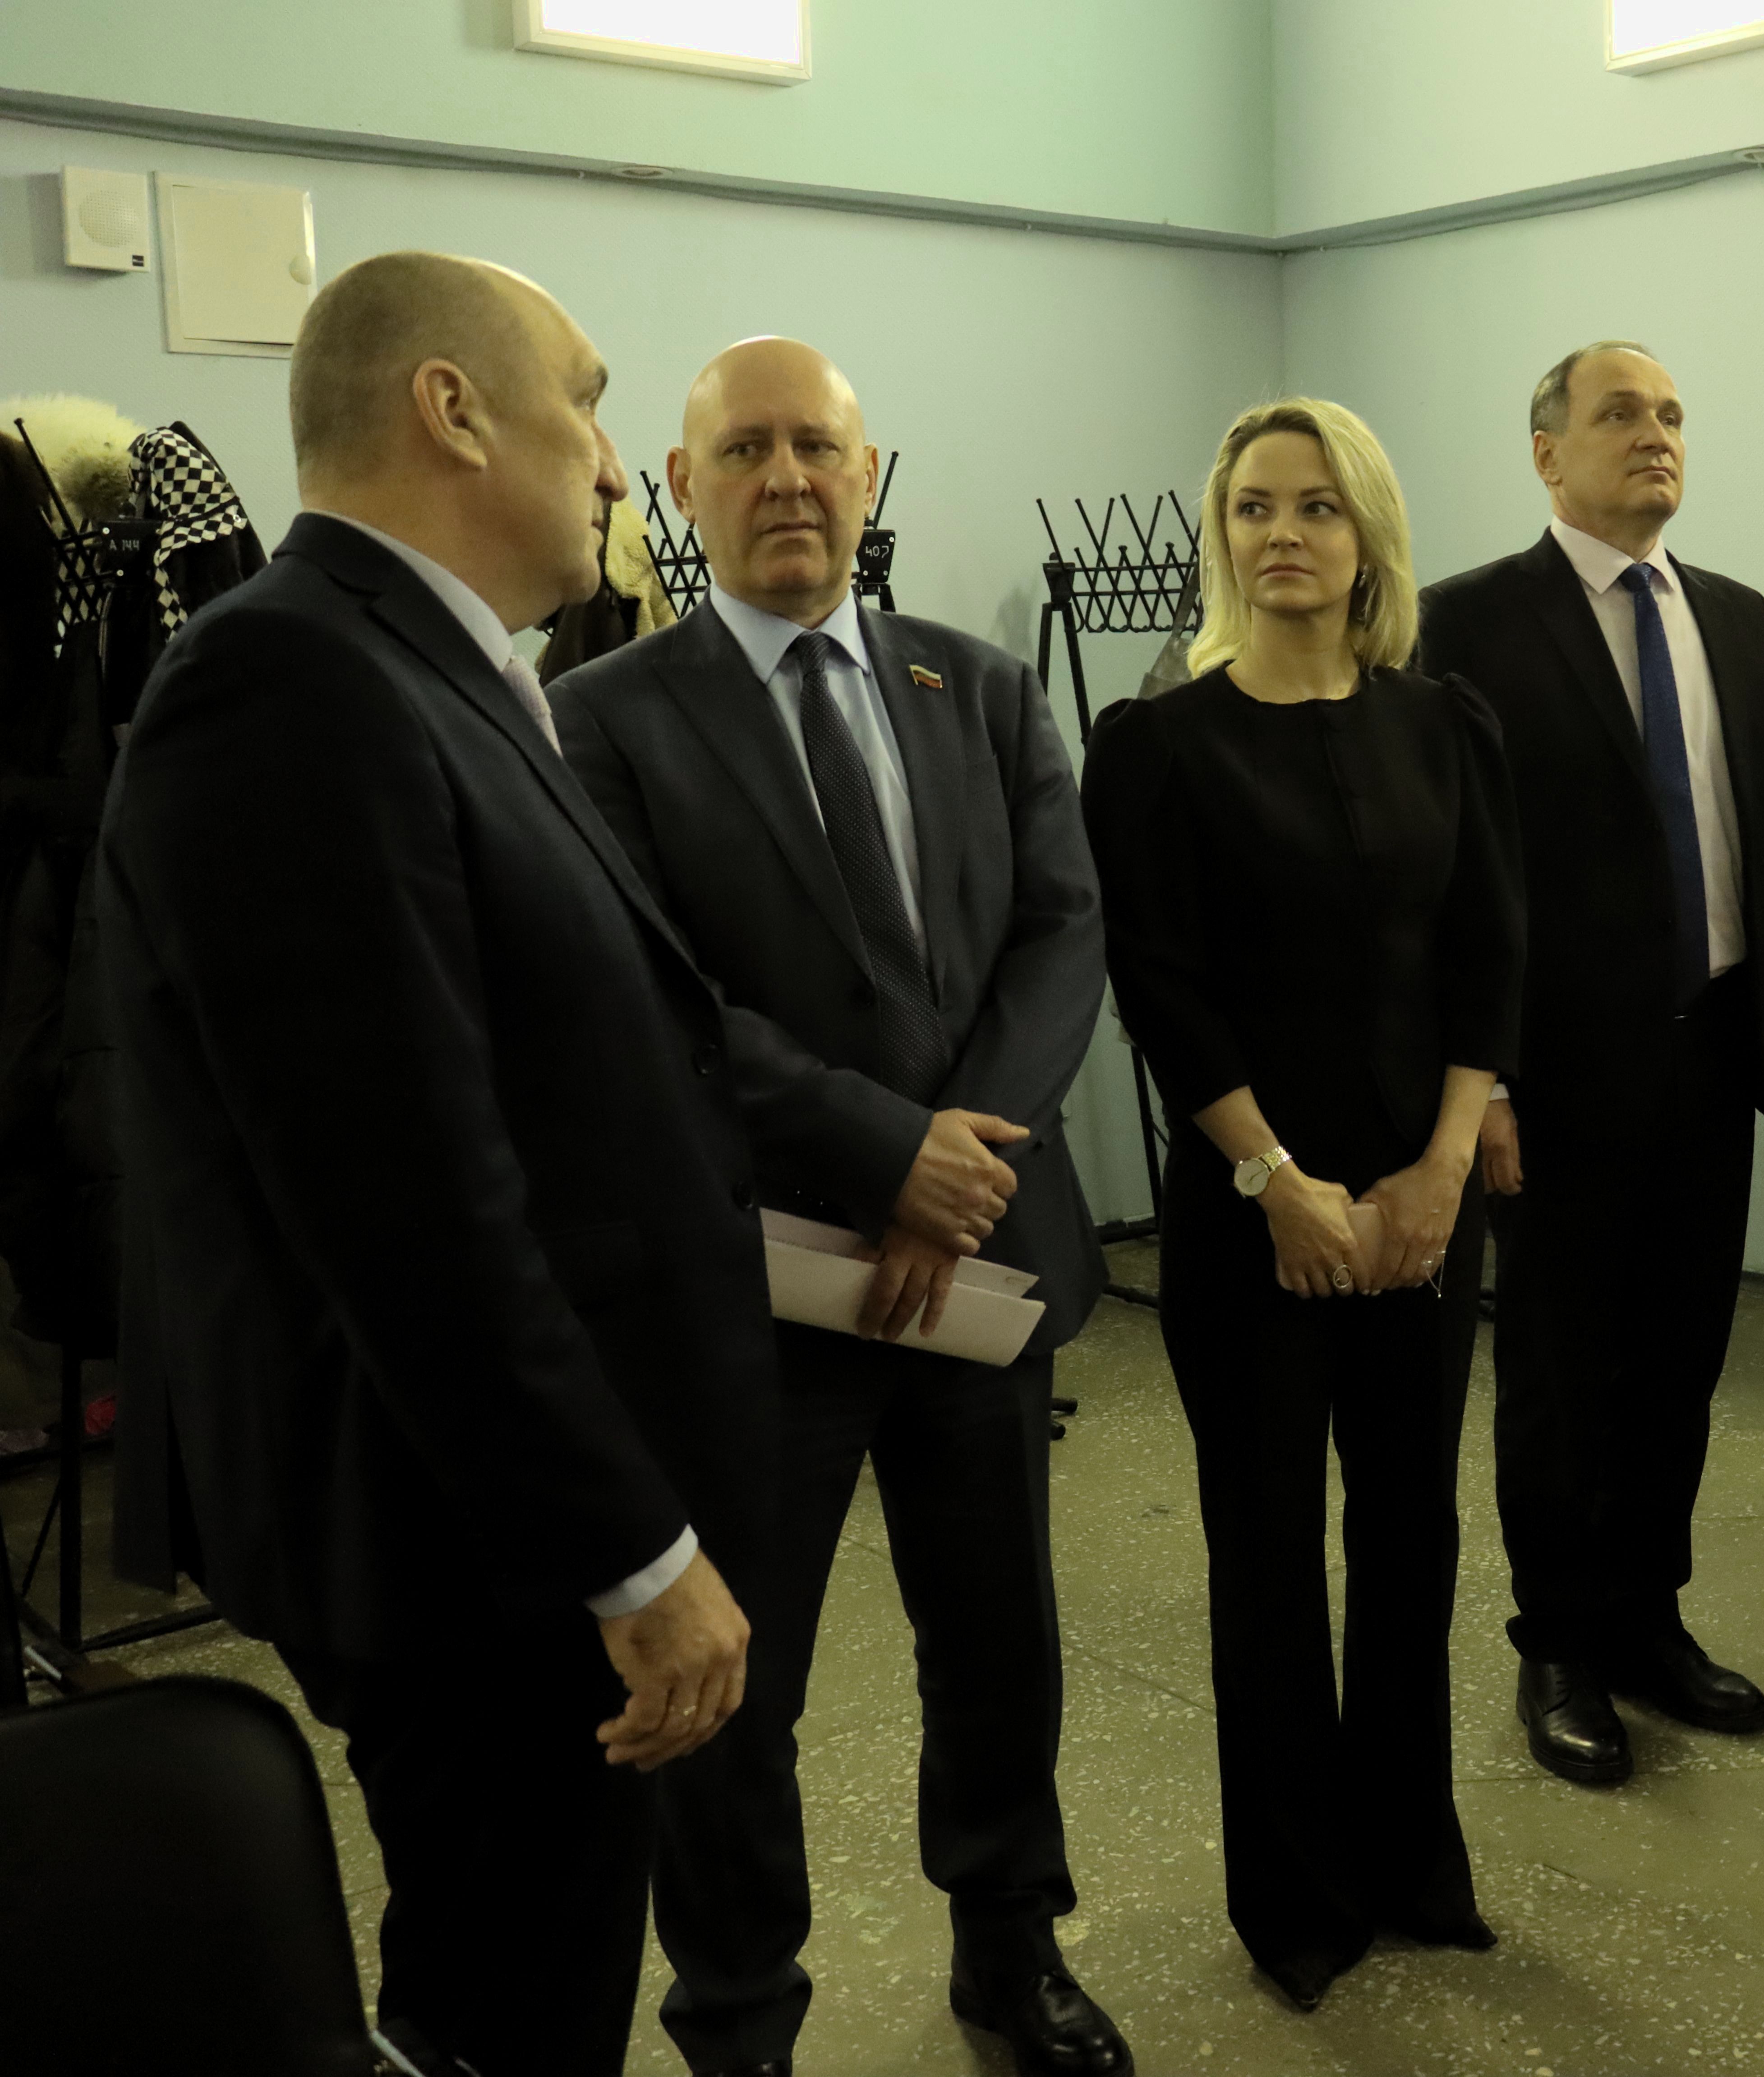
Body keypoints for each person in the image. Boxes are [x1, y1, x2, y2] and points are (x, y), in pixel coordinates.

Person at [98, 251, 777, 2077]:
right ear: (453, 410)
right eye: (589, 399)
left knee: (534, 1964)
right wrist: (631, 1553)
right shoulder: (285, 679)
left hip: (507, 1500)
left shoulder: (440, 669)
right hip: (467, 1535)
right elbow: (404, 1198)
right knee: (510, 1998)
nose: (619, 463)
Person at [551, 340, 1126, 2077]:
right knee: (740, 1683)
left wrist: (963, 1165)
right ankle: (739, 2018)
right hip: (754, 1290)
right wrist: (889, 1153)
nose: (788, 476)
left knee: (998, 1645)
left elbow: (1060, 929)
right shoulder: (600, 718)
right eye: (745, 449)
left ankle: (1011, 1950)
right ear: (681, 484)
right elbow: (647, 999)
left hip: (976, 1267)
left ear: (869, 475)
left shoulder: (980, 688)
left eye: (818, 444)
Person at [1080, 398, 1523, 2012]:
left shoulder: (1444, 723)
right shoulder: (1157, 745)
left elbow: (1490, 952)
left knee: (1411, 1534)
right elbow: (1161, 986)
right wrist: (1274, 1178)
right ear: (1224, 534)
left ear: (1366, 535)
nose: (1284, 533)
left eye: (1317, 506)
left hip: (1419, 1209)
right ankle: (1295, 1895)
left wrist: (1440, 1163)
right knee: (1266, 1551)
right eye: (1255, 506)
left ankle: (1410, 1858)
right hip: (1247, 1211)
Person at [1418, 342, 1764, 1786]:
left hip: (1709, 1050)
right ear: (1546, 451)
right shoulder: (1466, 623)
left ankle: (1646, 1618)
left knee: (1677, 1359)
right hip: (1550, 1076)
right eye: (1618, 414)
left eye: (1668, 414)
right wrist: (1478, 1082)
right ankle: (1556, 1638)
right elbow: (1447, 878)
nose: (1652, 434)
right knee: (1560, 1372)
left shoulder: (1733, 618)